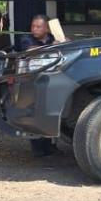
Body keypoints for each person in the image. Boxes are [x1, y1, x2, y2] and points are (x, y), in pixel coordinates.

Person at [16, 15, 61, 157]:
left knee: (49, 113)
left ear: (47, 28)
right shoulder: (26, 38)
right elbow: (31, 50)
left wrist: (64, 43)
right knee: (34, 114)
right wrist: (53, 46)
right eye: (32, 26)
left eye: (38, 26)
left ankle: (50, 146)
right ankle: (37, 147)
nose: (34, 29)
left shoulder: (52, 38)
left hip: (50, 82)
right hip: (31, 82)